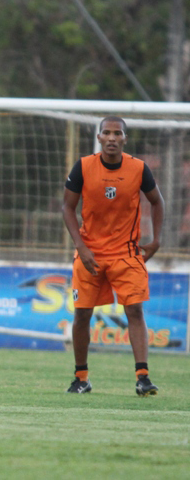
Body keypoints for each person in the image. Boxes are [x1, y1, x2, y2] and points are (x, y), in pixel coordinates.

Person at [62, 116, 163, 396]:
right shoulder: (83, 167)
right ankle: (81, 377)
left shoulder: (138, 168)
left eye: (117, 133)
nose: (111, 138)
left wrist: (156, 239)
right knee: (82, 315)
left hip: (126, 254)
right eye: (106, 132)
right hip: (90, 254)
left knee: (135, 310)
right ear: (99, 138)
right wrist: (81, 246)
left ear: (124, 139)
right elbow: (67, 207)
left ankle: (143, 377)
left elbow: (157, 201)